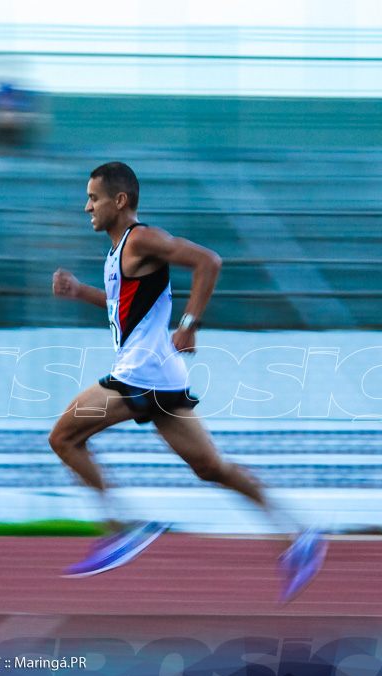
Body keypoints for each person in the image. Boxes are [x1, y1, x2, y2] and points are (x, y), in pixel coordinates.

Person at [49, 161, 326, 601]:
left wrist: (191, 323)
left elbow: (208, 261)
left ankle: (122, 527)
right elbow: (122, 305)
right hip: (160, 374)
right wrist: (81, 292)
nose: (87, 207)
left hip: (140, 374)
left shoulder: (141, 238)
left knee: (63, 438)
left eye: (93, 198)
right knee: (210, 466)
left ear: (119, 201)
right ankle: (300, 532)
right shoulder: (120, 251)